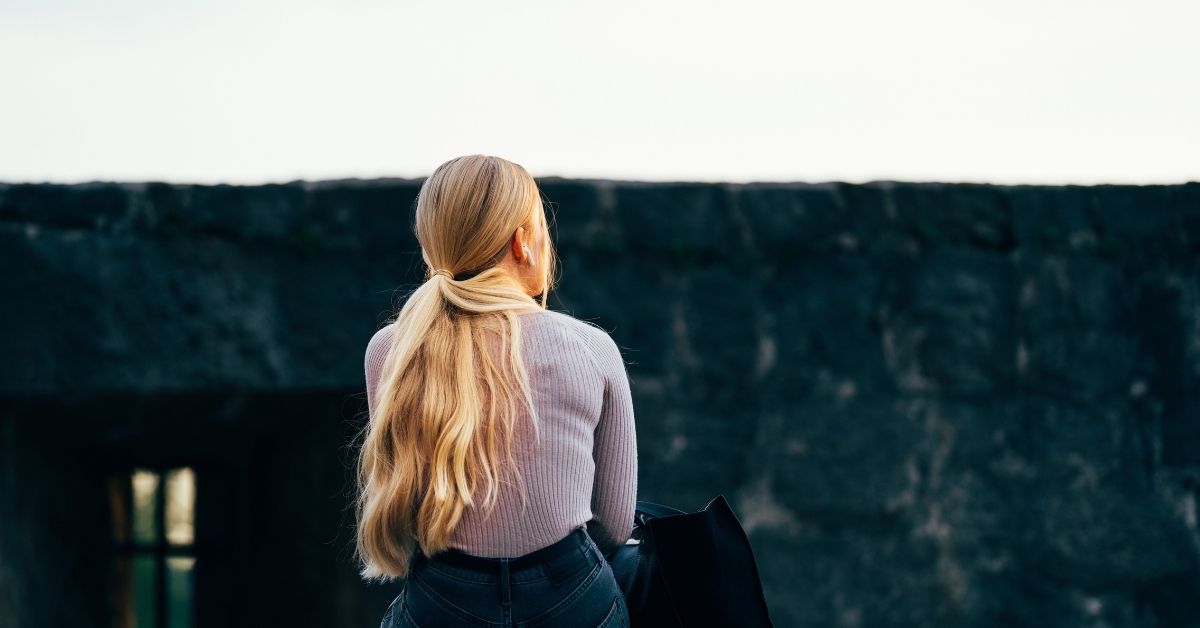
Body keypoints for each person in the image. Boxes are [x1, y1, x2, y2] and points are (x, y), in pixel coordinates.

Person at [356, 155, 638, 628]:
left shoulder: (393, 351)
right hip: (572, 600)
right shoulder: (593, 348)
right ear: (522, 242)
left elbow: (407, 522)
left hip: (443, 601)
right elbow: (613, 524)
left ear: (431, 249)